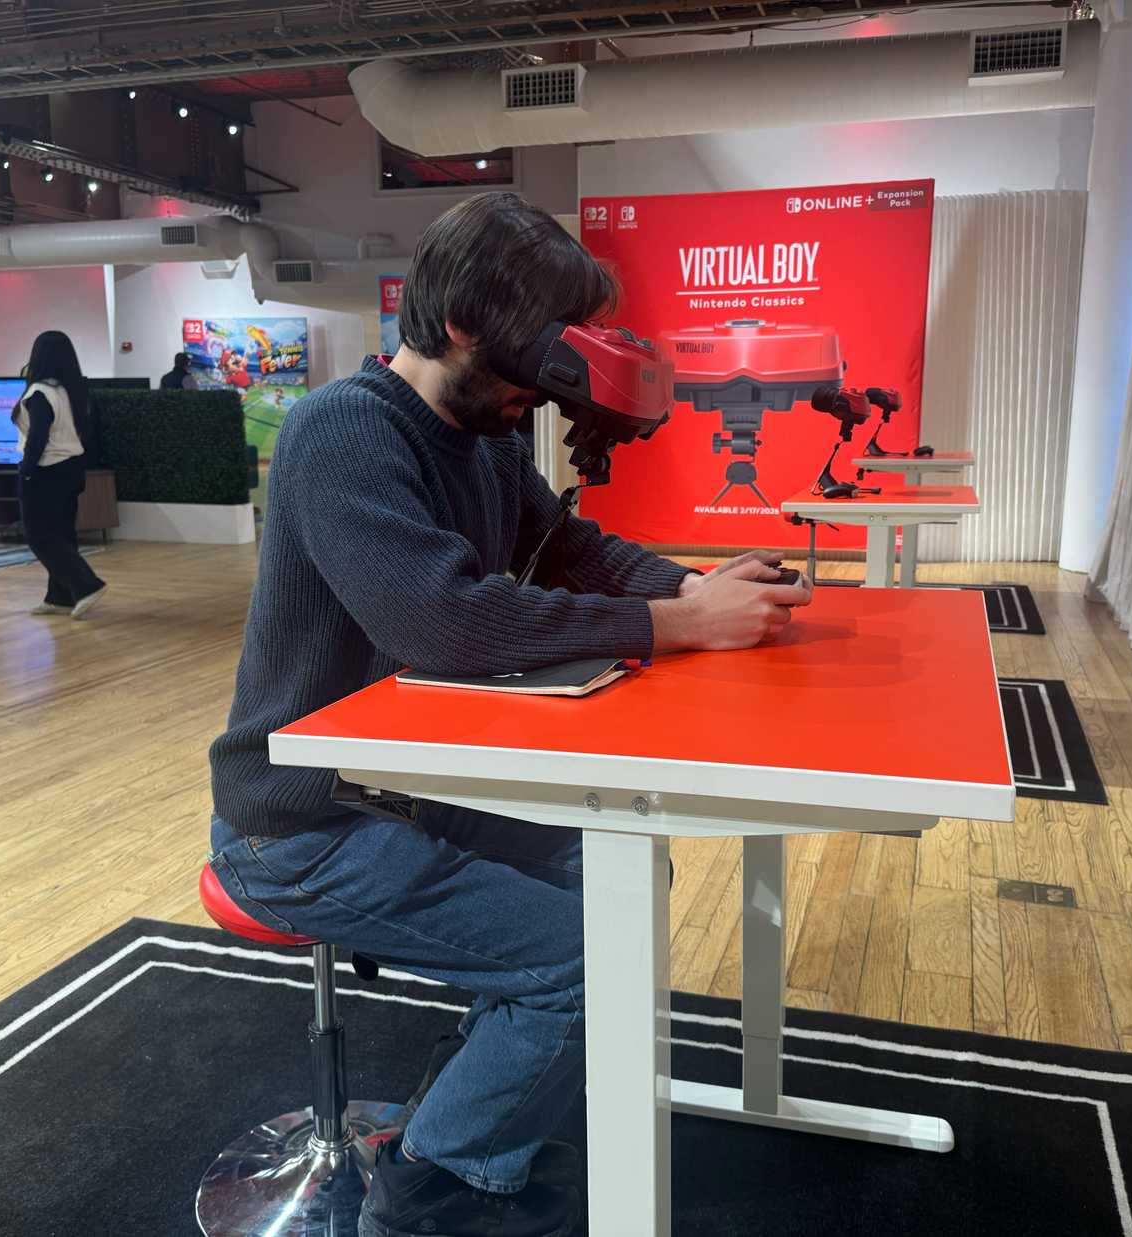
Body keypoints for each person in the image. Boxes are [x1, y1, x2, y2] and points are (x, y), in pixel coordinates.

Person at [207, 191, 811, 1237]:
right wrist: (680, 626)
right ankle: (436, 1180)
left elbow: (575, 551)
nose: (549, 378)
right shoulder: (340, 435)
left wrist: (699, 589)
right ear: (458, 328)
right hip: (305, 820)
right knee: (585, 950)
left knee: (625, 872)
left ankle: (474, 1095)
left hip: (408, 786)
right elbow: (448, 621)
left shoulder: (484, 436)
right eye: (537, 349)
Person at [13, 330, 108, 619]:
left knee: (39, 535)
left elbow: (37, 438)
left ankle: (85, 585)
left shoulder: (39, 393)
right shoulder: (72, 391)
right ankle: (60, 596)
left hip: (46, 471)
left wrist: (26, 471)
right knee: (63, 533)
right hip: (71, 468)